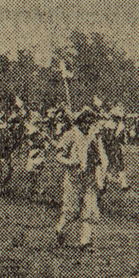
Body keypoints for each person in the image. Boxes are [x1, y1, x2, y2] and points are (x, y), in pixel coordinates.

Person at [51, 107, 109, 251]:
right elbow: (58, 155)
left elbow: (101, 158)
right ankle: (60, 230)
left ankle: (85, 241)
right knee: (71, 210)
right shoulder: (71, 135)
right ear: (81, 122)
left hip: (89, 178)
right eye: (87, 123)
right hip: (73, 178)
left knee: (89, 208)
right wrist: (70, 162)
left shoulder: (94, 137)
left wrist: (101, 175)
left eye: (92, 123)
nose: (90, 126)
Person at [100, 105, 131, 192]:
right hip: (112, 146)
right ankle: (123, 184)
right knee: (118, 164)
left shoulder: (108, 124)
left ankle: (104, 184)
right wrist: (119, 132)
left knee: (111, 165)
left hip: (111, 146)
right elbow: (111, 138)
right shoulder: (112, 125)